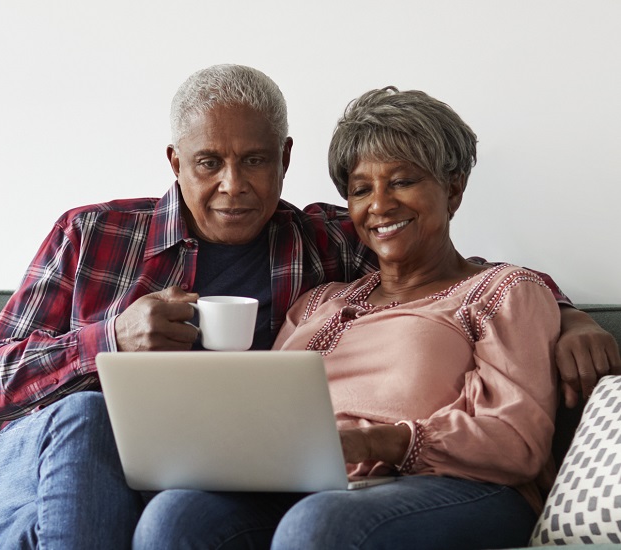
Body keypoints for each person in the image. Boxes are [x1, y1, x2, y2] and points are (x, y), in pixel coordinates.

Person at [0, 66, 619, 549]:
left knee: (180, 512)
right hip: (45, 443)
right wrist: (106, 339)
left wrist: (575, 317)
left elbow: (472, 281)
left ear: (285, 159)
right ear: (175, 161)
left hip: (382, 482)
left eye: (254, 161)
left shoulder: (322, 244)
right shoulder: (95, 233)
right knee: (90, 414)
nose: (233, 186)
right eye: (209, 162)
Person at [131, 85, 566, 550]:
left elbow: (518, 442)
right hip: (317, 487)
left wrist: (374, 443)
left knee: (319, 525)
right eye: (362, 189)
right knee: (176, 515)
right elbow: (273, 416)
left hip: (461, 488)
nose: (379, 204)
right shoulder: (317, 303)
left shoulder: (502, 292)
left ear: (453, 189)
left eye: (402, 181)